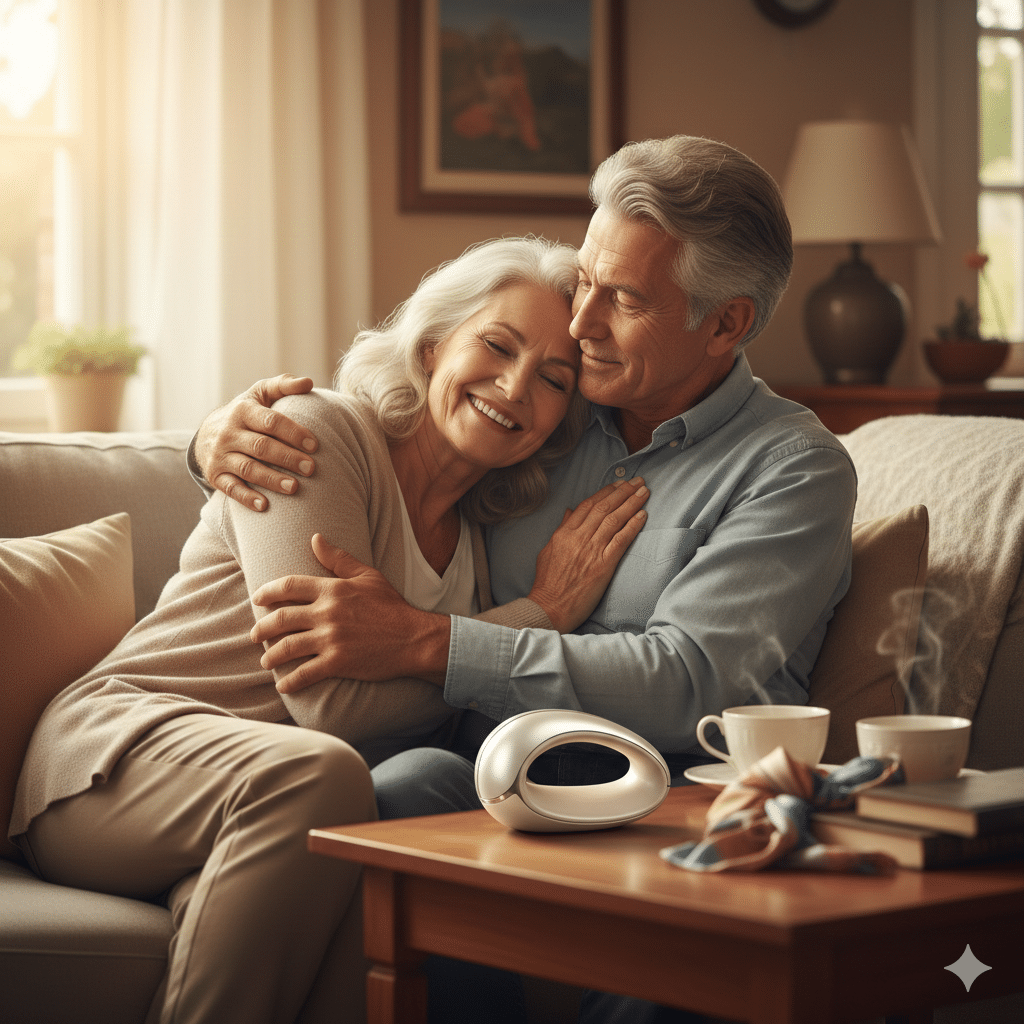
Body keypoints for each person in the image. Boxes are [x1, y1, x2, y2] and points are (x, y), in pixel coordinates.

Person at [194, 135, 859, 1023]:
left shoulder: (792, 468)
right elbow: (405, 416)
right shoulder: (552, 410)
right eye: (586, 280)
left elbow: (691, 684)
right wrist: (211, 442)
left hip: (667, 806)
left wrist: (430, 642)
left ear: (726, 325)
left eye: (623, 300)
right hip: (494, 777)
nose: (580, 327)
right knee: (401, 787)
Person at [9, 236, 649, 1024]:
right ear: (430, 343)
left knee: (368, 861)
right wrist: (539, 618)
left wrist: (448, 648)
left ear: (560, 421)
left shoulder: (481, 543)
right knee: (321, 774)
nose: (516, 387)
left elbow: (454, 718)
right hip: (117, 763)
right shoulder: (317, 434)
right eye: (496, 344)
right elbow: (333, 709)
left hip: (263, 814)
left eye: (554, 380)